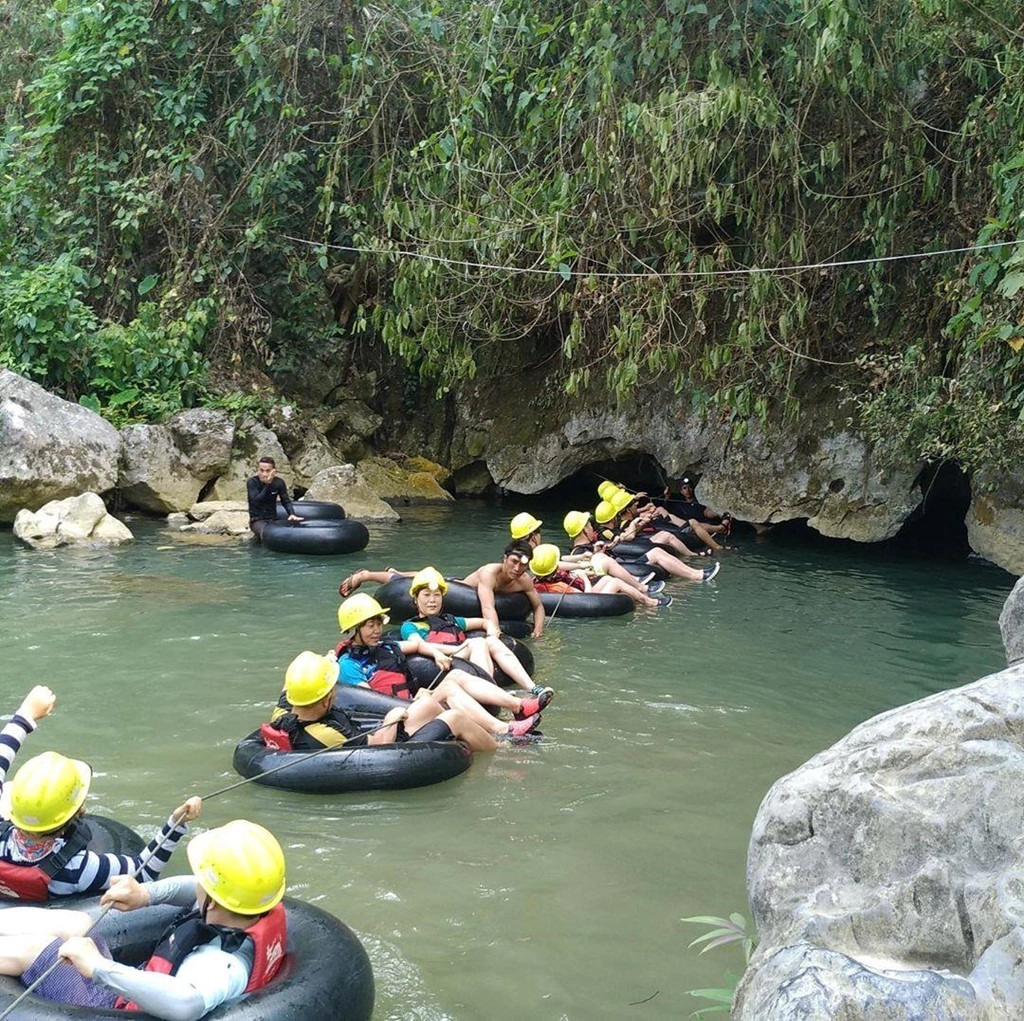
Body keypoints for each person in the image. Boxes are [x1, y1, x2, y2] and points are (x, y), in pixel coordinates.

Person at [0, 820, 288, 1019]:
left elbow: (186, 1004)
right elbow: (193, 889)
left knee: (38, 950)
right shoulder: (245, 909)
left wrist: (99, 967)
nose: (197, 884)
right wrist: (144, 895)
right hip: (133, 992)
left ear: (213, 899)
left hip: (117, 1013)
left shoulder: (220, 963)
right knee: (77, 925)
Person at [0, 686, 201, 901]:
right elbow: (143, 872)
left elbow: (3, 753)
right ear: (75, 812)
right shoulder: (78, 868)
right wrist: (176, 824)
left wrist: (26, 714)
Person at [334, 594, 544, 739]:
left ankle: (519, 706)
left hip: (409, 705)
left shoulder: (386, 646)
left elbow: (416, 644)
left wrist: (436, 653)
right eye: (370, 626)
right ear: (355, 629)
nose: (377, 630)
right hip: (394, 717)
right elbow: (371, 704)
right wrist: (416, 701)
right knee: (449, 688)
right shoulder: (349, 664)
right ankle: (503, 729)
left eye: (378, 624)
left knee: (456, 675)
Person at [263, 650, 500, 753]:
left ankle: (484, 734)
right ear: (325, 701)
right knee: (454, 717)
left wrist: (324, 662)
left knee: (428, 703)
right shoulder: (328, 733)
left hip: (372, 735)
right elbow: (377, 750)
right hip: (391, 747)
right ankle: (500, 750)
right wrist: (391, 718)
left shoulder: (284, 709)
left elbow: (292, 682)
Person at [398, 567, 553, 699]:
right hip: (440, 660)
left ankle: (533, 688)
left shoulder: (452, 620)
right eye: (426, 595)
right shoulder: (410, 626)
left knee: (490, 641)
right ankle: (494, 693)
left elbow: (483, 622)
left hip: (463, 654)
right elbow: (419, 645)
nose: (432, 600)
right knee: (478, 642)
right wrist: (466, 646)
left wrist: (492, 630)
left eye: (436, 595)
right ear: (416, 599)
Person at [591, 501, 721, 583]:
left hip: (627, 557)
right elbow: (626, 537)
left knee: (663, 540)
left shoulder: (606, 531)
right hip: (625, 562)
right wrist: (634, 525)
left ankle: (694, 567)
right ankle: (697, 573)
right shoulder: (605, 532)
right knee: (660, 548)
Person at [529, 544, 671, 608]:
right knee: (615, 582)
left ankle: (640, 596)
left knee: (607, 579)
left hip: (584, 595)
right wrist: (584, 578)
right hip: (587, 601)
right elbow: (585, 597)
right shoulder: (558, 586)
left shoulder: (540, 579)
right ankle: (650, 602)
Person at [461, 541, 547, 639]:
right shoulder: (489, 573)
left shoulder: (524, 580)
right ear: (505, 558)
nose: (517, 568)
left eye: (523, 565)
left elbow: (538, 606)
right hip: (464, 603)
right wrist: (496, 633)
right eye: (514, 561)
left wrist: (538, 630)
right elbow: (488, 607)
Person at [246, 456, 302, 540]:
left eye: (268, 471)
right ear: (258, 470)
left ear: (274, 471)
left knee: (287, 533)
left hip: (273, 518)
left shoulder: (279, 482)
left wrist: (292, 513)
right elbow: (256, 501)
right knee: (268, 533)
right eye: (261, 470)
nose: (264, 474)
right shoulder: (252, 482)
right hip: (257, 520)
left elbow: (285, 501)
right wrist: (268, 484)